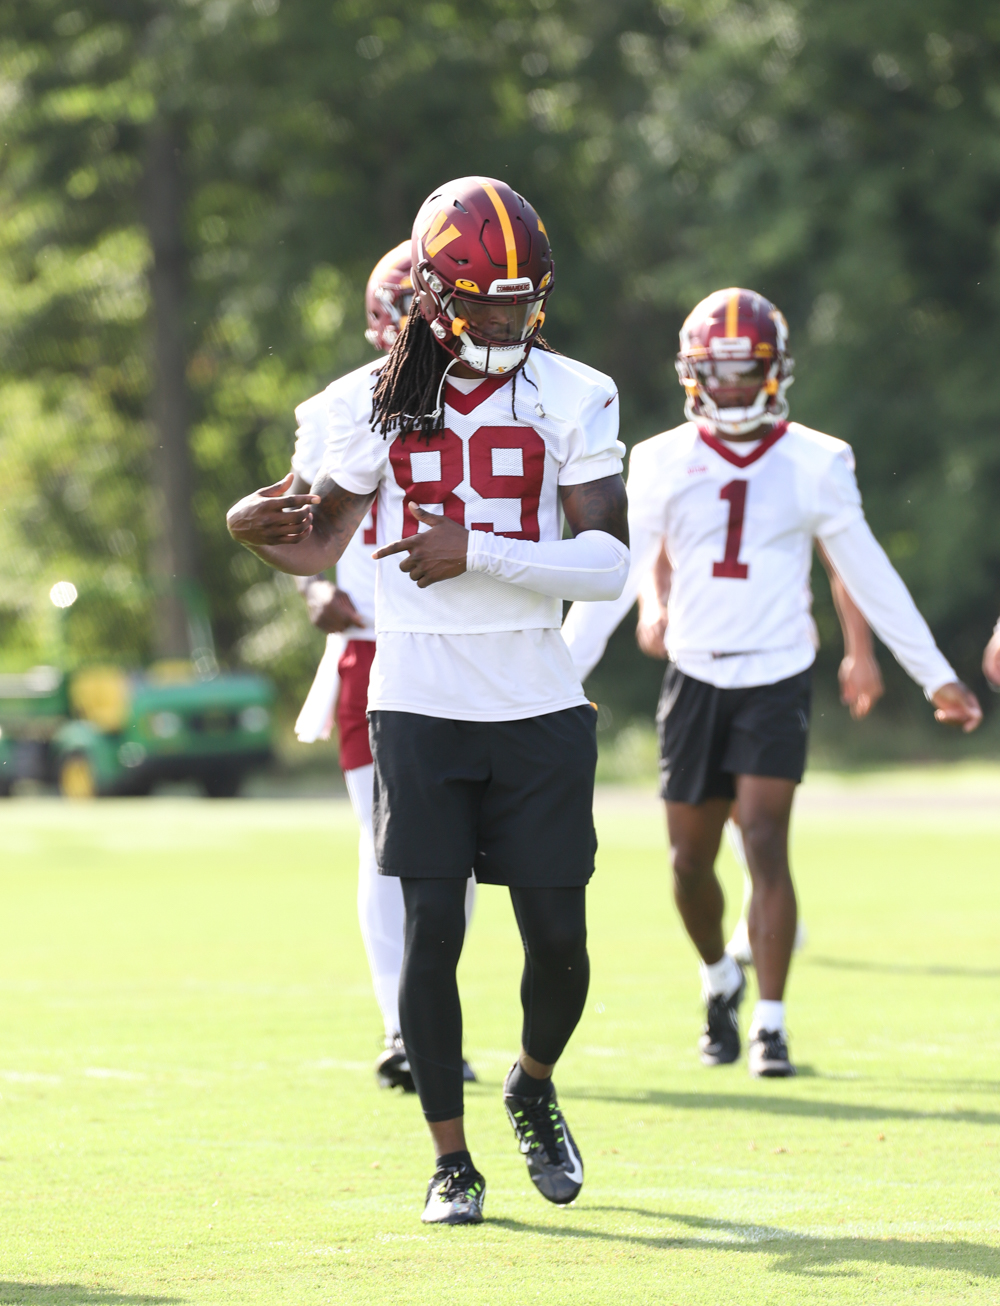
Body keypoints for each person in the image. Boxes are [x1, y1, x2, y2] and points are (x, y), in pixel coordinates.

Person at [227, 176, 630, 1224]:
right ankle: (451, 1158)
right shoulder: (381, 393)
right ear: (437, 297)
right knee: (431, 928)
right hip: (416, 693)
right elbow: (319, 539)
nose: (506, 319)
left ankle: (533, 1083)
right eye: (485, 301)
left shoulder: (576, 391)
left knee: (559, 944)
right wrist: (256, 531)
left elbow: (604, 564)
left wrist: (479, 549)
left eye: (521, 298)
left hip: (535, 695)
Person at [563, 287, 981, 1079]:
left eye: (743, 371)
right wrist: (552, 679)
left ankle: (773, 1024)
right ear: (692, 375)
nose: (728, 388)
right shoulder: (655, 461)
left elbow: (870, 573)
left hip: (777, 676)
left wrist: (935, 675)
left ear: (775, 372)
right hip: (694, 675)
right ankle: (720, 980)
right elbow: (612, 581)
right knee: (688, 863)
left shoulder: (817, 461)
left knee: (763, 840)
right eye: (714, 373)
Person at [231, 242, 476, 1092]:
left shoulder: (501, 397)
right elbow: (306, 527)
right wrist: (309, 600)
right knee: (385, 849)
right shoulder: (337, 404)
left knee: (456, 853)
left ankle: (430, 1011)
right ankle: (400, 1026)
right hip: (373, 644)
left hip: (466, 640)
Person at [634, 536, 885, 965]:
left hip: (775, 665)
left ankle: (768, 994)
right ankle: (739, 939)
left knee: (759, 819)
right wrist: (653, 606)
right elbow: (655, 549)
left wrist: (859, 649)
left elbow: (843, 554)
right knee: (709, 832)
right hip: (700, 665)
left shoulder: (799, 469)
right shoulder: (682, 470)